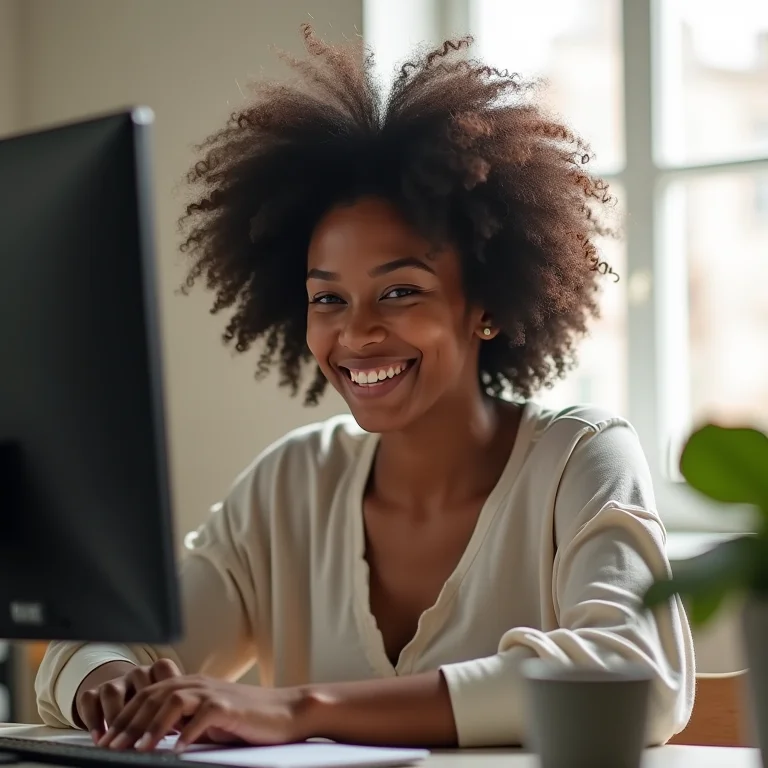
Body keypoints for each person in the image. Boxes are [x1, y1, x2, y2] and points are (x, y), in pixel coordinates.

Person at [35, 26, 694, 752]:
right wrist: (115, 687)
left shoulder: (581, 458)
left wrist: (301, 709)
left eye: (401, 291)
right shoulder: (294, 482)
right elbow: (90, 651)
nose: (357, 335)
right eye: (328, 299)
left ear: (487, 307)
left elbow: (633, 671)